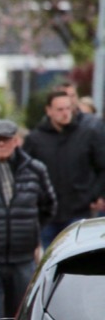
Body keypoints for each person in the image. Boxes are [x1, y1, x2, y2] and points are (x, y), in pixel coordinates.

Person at [0, 120, 56, 320]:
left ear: (16, 141)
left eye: (6, 140)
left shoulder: (35, 169)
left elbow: (49, 205)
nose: (1, 144)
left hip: (23, 256)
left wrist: (30, 231)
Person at [22, 89, 105, 248]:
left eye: (69, 108)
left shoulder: (88, 134)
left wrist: (94, 195)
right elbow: (25, 171)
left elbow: (102, 167)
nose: (65, 113)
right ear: (49, 111)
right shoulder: (36, 139)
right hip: (47, 214)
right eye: (60, 109)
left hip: (79, 211)